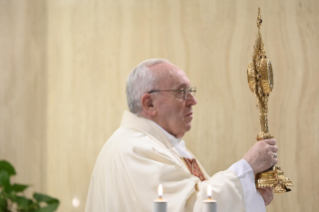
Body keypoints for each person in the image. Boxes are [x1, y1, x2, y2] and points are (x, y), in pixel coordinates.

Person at [85, 59, 278, 212]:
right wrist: (246, 167)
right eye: (181, 92)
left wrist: (251, 195)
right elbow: (190, 207)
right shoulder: (133, 149)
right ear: (150, 103)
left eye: (190, 91)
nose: (193, 101)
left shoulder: (159, 146)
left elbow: (195, 196)